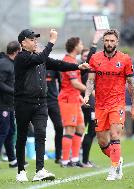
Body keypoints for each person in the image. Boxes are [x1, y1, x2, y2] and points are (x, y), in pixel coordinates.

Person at [14, 28, 89, 182]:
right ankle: (21, 170)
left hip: (41, 102)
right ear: (23, 42)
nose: (35, 41)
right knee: (21, 136)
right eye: (32, 39)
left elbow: (58, 64)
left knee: (40, 134)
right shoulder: (21, 57)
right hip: (23, 102)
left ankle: (40, 170)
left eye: (36, 39)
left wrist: (77, 66)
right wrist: (52, 41)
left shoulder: (39, 57)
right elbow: (40, 58)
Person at [84, 29, 134, 181]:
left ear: (117, 42)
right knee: (102, 141)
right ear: (103, 42)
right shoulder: (95, 58)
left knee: (115, 135)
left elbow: (131, 84)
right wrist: (87, 95)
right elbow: (90, 80)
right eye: (106, 40)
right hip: (100, 105)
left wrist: (133, 105)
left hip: (117, 104)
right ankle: (117, 160)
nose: (109, 43)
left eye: (112, 41)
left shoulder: (125, 59)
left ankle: (113, 170)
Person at [0, 41, 20, 168]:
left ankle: (12, 161)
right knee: (3, 131)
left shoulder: (8, 63)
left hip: (7, 104)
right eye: (20, 52)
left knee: (10, 131)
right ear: (16, 52)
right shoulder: (3, 64)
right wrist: (15, 91)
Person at [58, 37, 86, 167]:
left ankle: (74, 159)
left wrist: (80, 96)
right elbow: (74, 83)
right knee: (69, 129)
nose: (82, 45)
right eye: (80, 43)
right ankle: (65, 160)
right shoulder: (68, 61)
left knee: (80, 128)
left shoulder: (74, 61)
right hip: (68, 100)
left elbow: (74, 84)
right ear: (75, 46)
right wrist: (91, 90)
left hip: (74, 99)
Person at [81, 31, 103, 167]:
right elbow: (91, 57)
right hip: (87, 105)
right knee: (89, 132)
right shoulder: (83, 69)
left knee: (87, 132)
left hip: (90, 104)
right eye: (84, 56)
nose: (87, 58)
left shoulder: (93, 71)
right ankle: (82, 160)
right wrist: (95, 41)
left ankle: (83, 159)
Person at [45, 69, 63, 164]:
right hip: (39, 102)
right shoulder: (34, 64)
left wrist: (60, 95)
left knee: (59, 126)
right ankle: (40, 154)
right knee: (40, 129)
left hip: (53, 101)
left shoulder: (52, 67)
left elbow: (61, 83)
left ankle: (58, 156)